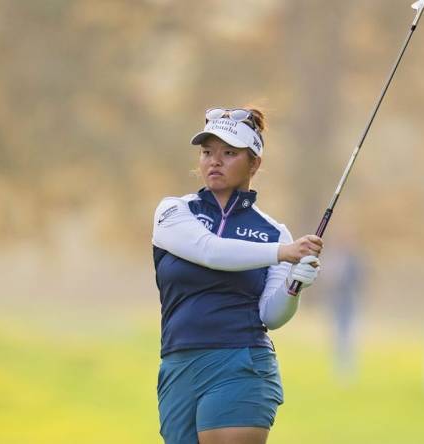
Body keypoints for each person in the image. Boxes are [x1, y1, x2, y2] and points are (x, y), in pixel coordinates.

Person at [151, 107, 324, 444]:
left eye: (229, 153)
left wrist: (294, 284)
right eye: (207, 152)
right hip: (178, 364)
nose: (214, 161)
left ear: (254, 163)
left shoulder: (274, 232)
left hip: (241, 362)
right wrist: (283, 254)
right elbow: (210, 251)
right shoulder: (174, 211)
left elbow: (271, 316)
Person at [319, 228, 365, 384]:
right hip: (335, 301)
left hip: (348, 301)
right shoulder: (333, 257)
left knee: (347, 335)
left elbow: (359, 280)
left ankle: (347, 369)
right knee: (336, 335)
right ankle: (338, 367)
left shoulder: (354, 259)